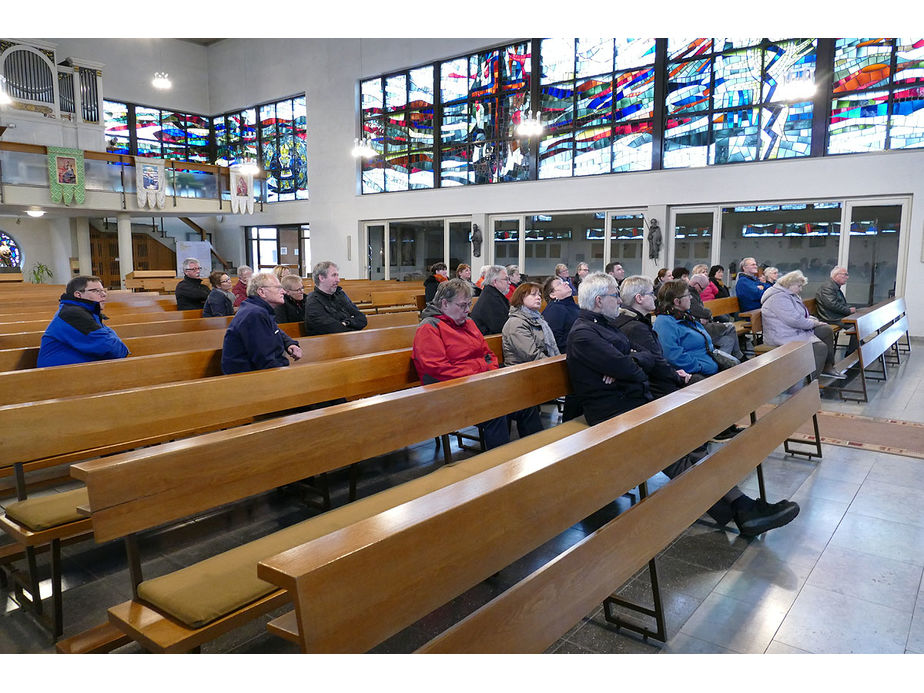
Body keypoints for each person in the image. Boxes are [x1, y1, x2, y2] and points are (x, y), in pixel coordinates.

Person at [599, 273, 799, 536]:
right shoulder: (626, 327)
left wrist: (635, 363)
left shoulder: (633, 324)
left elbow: (648, 361)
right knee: (683, 449)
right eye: (614, 295)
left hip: (648, 397)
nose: (655, 298)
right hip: (635, 405)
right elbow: (653, 363)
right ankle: (740, 507)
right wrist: (635, 364)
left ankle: (739, 507)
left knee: (688, 450)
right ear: (601, 301)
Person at [412, 278, 542, 449]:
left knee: (525, 403)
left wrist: (489, 374)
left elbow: (488, 354)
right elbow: (437, 370)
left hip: (482, 386)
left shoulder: (468, 323)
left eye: (468, 304)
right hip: (450, 393)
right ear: (444, 303)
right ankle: (500, 466)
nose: (468, 310)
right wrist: (478, 376)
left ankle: (536, 455)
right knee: (495, 413)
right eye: (462, 305)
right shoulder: (429, 328)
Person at [611, 275, 690, 397]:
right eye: (651, 293)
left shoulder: (632, 320)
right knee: (699, 385)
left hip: (652, 382)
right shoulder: (635, 327)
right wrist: (678, 377)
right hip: (653, 388)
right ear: (639, 298)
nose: (654, 297)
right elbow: (656, 364)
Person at [761, 270, 846, 380]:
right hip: (782, 335)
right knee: (820, 347)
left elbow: (802, 315)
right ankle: (810, 382)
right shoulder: (778, 298)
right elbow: (794, 320)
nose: (800, 289)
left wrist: (815, 321)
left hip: (793, 331)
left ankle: (827, 366)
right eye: (799, 286)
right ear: (789, 284)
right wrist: (814, 323)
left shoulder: (790, 295)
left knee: (825, 330)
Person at [37, 275, 129, 367]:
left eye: (103, 290)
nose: (104, 294)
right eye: (96, 291)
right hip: (56, 376)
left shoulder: (86, 312)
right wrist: (122, 348)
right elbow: (112, 349)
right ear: (78, 295)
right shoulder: (72, 314)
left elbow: (109, 339)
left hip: (77, 372)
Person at [221, 272, 302, 374]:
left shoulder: (257, 309)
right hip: (246, 379)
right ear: (262, 292)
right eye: (278, 288)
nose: (284, 292)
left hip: (255, 374)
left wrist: (289, 343)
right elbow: (265, 360)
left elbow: (274, 329)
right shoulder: (254, 314)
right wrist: (287, 374)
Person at [653, 280, 720, 380]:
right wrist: (700, 366)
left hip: (709, 366)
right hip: (697, 373)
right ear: (676, 301)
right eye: (687, 295)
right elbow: (672, 356)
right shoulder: (664, 322)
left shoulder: (684, 316)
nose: (691, 297)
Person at [502, 282, 560, 365]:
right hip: (521, 372)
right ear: (521, 298)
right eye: (533, 294)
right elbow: (532, 355)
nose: (538, 298)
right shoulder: (516, 323)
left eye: (539, 295)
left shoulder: (538, 319)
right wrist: (556, 364)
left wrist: (559, 361)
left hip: (539, 366)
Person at [688, 273, 744, 360]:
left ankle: (723, 363)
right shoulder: (689, 294)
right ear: (695, 284)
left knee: (729, 341)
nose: (702, 291)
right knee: (731, 326)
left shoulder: (694, 292)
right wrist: (705, 315)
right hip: (699, 328)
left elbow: (702, 311)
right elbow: (699, 310)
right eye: (702, 288)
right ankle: (738, 356)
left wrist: (705, 315)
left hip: (703, 326)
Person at [303, 261, 368, 335]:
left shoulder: (340, 294)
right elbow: (334, 329)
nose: (338, 280)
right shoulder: (313, 301)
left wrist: (347, 323)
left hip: (348, 340)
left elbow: (362, 319)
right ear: (321, 278)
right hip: (327, 344)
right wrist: (352, 323)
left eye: (337, 275)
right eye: (334, 275)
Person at [815, 266, 859, 355]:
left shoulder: (834, 286)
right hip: (830, 317)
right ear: (837, 275)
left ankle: (858, 349)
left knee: (860, 322)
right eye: (845, 275)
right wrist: (848, 311)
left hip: (835, 315)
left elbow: (839, 303)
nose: (847, 277)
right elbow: (832, 305)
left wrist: (849, 308)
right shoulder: (828, 287)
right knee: (857, 326)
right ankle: (852, 354)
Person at [542, 275, 579, 353]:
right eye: (559, 284)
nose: (565, 284)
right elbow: (556, 340)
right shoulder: (554, 309)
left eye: (564, 282)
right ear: (552, 294)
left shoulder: (573, 305)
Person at [469, 264, 510, 336]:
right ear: (494, 282)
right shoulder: (492, 299)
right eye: (506, 279)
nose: (509, 282)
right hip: (490, 341)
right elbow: (502, 328)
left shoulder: (491, 293)